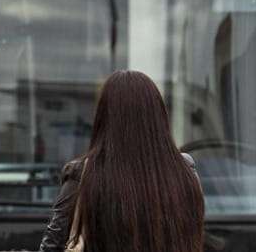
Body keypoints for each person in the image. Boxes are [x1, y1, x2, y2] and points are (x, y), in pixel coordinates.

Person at [39, 70, 205, 252]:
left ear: (104, 117)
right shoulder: (184, 169)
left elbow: (50, 246)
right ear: (159, 115)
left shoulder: (82, 174)